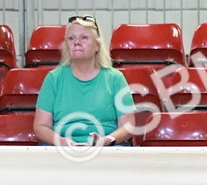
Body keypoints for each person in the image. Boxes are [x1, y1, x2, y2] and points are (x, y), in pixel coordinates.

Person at [34, 15, 136, 147]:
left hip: (106, 149)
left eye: (84, 37)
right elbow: (40, 126)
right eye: (71, 38)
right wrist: (63, 142)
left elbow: (128, 126)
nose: (76, 42)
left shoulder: (115, 79)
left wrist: (107, 139)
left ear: (97, 46)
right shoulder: (54, 78)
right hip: (61, 148)